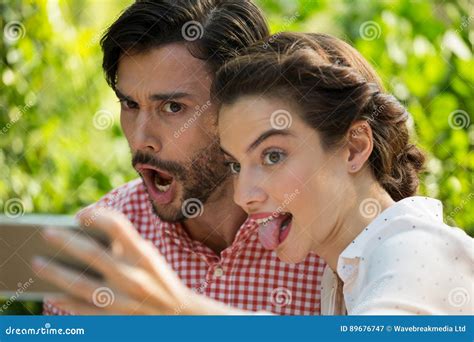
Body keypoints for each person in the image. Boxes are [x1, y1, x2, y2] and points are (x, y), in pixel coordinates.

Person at [36, 31, 472, 315]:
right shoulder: (339, 279)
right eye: (236, 164)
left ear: (355, 147)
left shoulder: (417, 248)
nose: (245, 194)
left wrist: (178, 310)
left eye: (273, 156)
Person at [38, 2, 326, 315]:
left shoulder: (329, 238)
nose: (141, 139)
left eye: (173, 108)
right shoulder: (90, 255)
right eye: (130, 105)